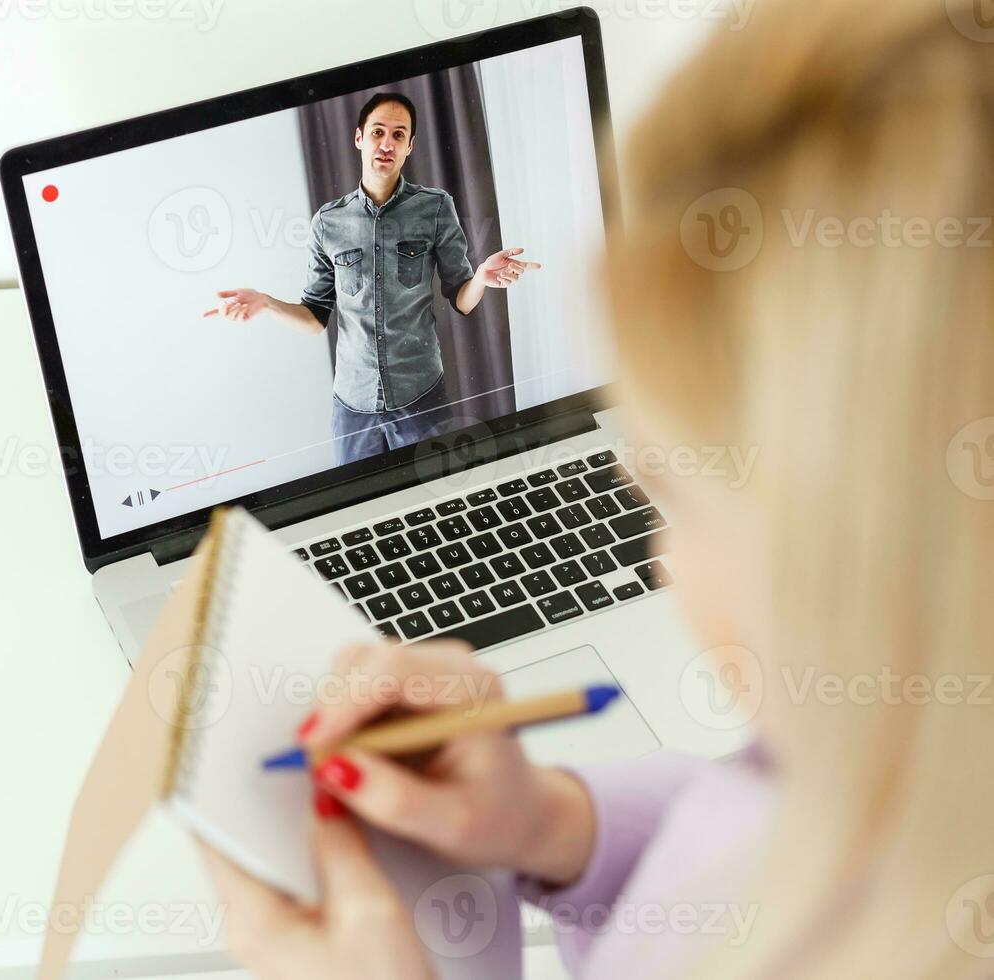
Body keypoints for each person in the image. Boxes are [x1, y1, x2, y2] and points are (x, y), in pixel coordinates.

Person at [199, 1, 994, 977]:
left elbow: (459, 300)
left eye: (684, 486)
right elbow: (765, 808)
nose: (636, 492)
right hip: (351, 402)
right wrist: (553, 823)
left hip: (423, 393)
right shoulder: (892, 750)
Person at [202, 91, 540, 466]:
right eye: (378, 132)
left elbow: (460, 297)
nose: (386, 143)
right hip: (352, 411)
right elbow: (315, 318)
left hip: (421, 401)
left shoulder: (435, 206)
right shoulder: (327, 223)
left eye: (398, 135)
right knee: (360, 512)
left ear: (410, 146)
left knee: (434, 505)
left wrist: (479, 279)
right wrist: (266, 302)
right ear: (359, 137)